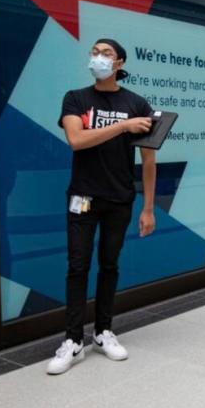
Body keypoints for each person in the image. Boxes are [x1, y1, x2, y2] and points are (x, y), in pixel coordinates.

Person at [47, 37, 157, 375]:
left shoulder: (137, 103)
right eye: (95, 52)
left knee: (110, 265)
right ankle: (73, 340)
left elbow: (149, 160)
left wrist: (148, 208)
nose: (98, 58)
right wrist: (123, 126)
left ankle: (103, 332)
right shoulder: (76, 98)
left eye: (106, 54)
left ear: (120, 63)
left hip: (119, 198)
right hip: (83, 197)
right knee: (77, 266)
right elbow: (76, 140)